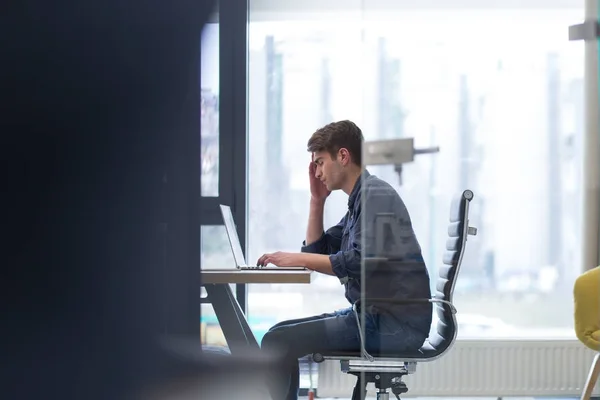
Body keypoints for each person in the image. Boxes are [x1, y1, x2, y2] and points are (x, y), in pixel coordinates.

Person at [257, 120, 433, 400]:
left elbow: (357, 261)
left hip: (392, 326)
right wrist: (317, 201)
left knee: (277, 341)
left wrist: (293, 258)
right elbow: (320, 251)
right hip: (376, 318)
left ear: (343, 156)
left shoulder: (375, 195)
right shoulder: (360, 200)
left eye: (320, 162)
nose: (316, 172)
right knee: (277, 334)